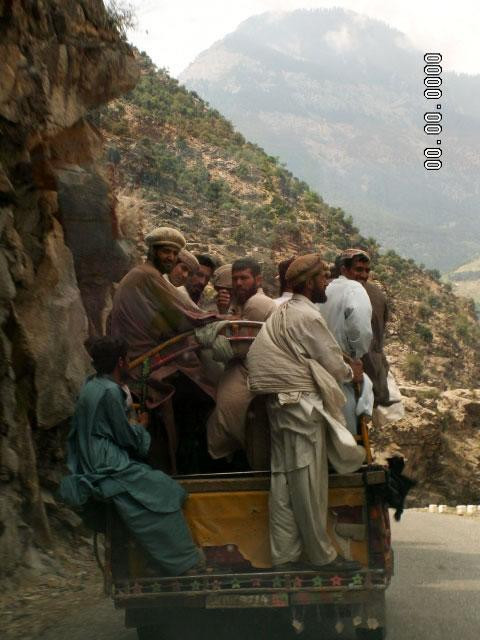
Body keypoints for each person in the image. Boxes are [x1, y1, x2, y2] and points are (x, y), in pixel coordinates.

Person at [246, 254, 365, 569]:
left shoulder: (281, 312)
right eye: (323, 277)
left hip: (279, 405)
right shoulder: (308, 317)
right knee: (308, 483)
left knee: (283, 482)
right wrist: (352, 371)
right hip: (301, 407)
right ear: (310, 282)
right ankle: (322, 556)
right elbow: (333, 363)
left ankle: (284, 554)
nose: (326, 282)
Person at [58, 337, 204, 576]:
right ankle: (183, 561)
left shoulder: (92, 384)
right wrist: (142, 425)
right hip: (106, 462)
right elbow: (125, 436)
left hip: (88, 456)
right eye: (126, 360)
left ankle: (159, 559)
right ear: (120, 362)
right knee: (164, 489)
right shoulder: (109, 392)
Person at [207, 257, 276, 460]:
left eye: (244, 278)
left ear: (258, 280)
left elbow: (237, 347)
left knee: (223, 417)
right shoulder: (246, 303)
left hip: (253, 368)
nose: (238, 283)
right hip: (249, 366)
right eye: (235, 279)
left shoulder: (257, 303)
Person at [318, 249, 373, 434]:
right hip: (346, 369)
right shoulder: (355, 289)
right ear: (344, 269)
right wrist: (357, 355)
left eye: (366, 270)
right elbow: (361, 329)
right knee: (347, 429)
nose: (363, 275)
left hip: (321, 367)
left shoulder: (326, 288)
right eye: (358, 269)